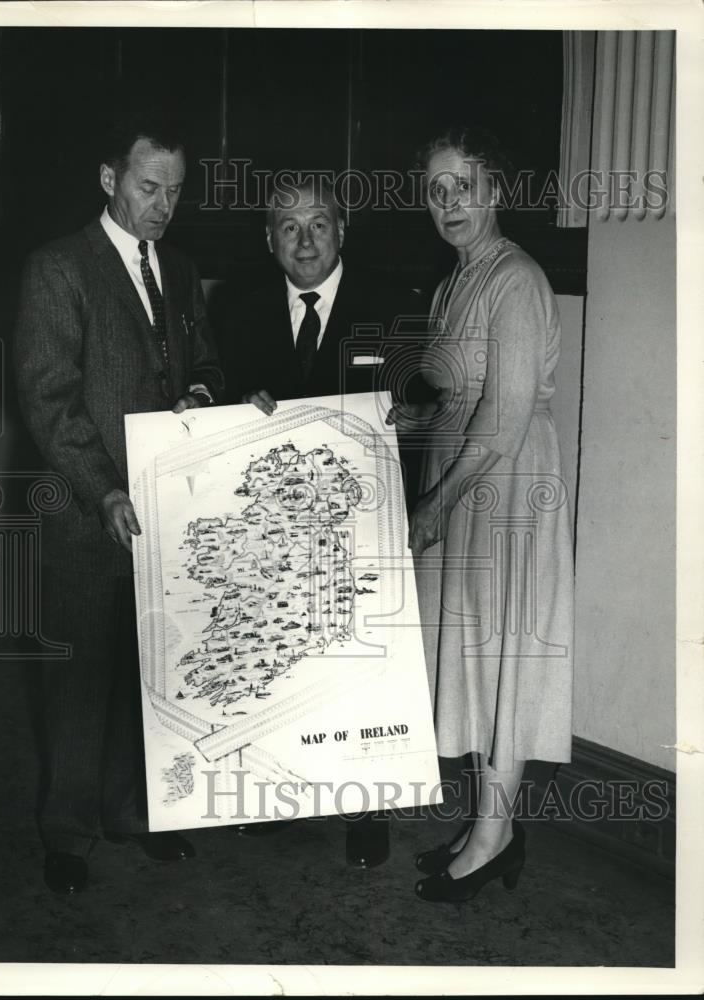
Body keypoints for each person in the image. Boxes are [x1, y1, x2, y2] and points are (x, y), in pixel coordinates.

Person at [14, 110, 224, 894]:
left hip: (163, 518)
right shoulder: (57, 267)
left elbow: (203, 362)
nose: (163, 205)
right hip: (81, 511)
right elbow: (48, 398)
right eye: (147, 187)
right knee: (78, 677)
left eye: (175, 190)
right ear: (110, 180)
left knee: (147, 675)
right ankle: (66, 833)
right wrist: (103, 488)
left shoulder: (180, 267)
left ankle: (130, 815)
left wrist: (202, 389)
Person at [387, 125, 574, 902]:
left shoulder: (517, 279)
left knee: (503, 658)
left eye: (463, 185)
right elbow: (457, 395)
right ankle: (483, 823)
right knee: (467, 652)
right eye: (435, 190)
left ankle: (495, 839)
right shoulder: (453, 281)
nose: (449, 202)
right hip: (462, 476)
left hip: (503, 487)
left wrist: (434, 499)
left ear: (494, 190)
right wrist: (407, 418)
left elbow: (500, 418)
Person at [218, 176, 419, 867]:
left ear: (343, 230)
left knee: (360, 666)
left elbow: (429, 401)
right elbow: (215, 393)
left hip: (363, 523)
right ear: (267, 237)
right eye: (288, 227)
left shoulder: (394, 303)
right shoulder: (238, 304)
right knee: (281, 658)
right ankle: (284, 792)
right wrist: (236, 400)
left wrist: (407, 413)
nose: (305, 241)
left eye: (319, 225)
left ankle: (366, 808)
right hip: (275, 525)